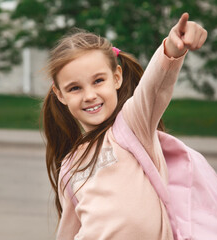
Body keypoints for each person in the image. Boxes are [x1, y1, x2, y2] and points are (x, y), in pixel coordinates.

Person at [42, 12, 207, 239]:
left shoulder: (133, 126)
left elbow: (154, 86)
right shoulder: (70, 166)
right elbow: (69, 231)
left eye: (98, 81)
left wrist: (172, 48)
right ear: (60, 95)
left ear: (117, 77)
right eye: (74, 88)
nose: (89, 95)